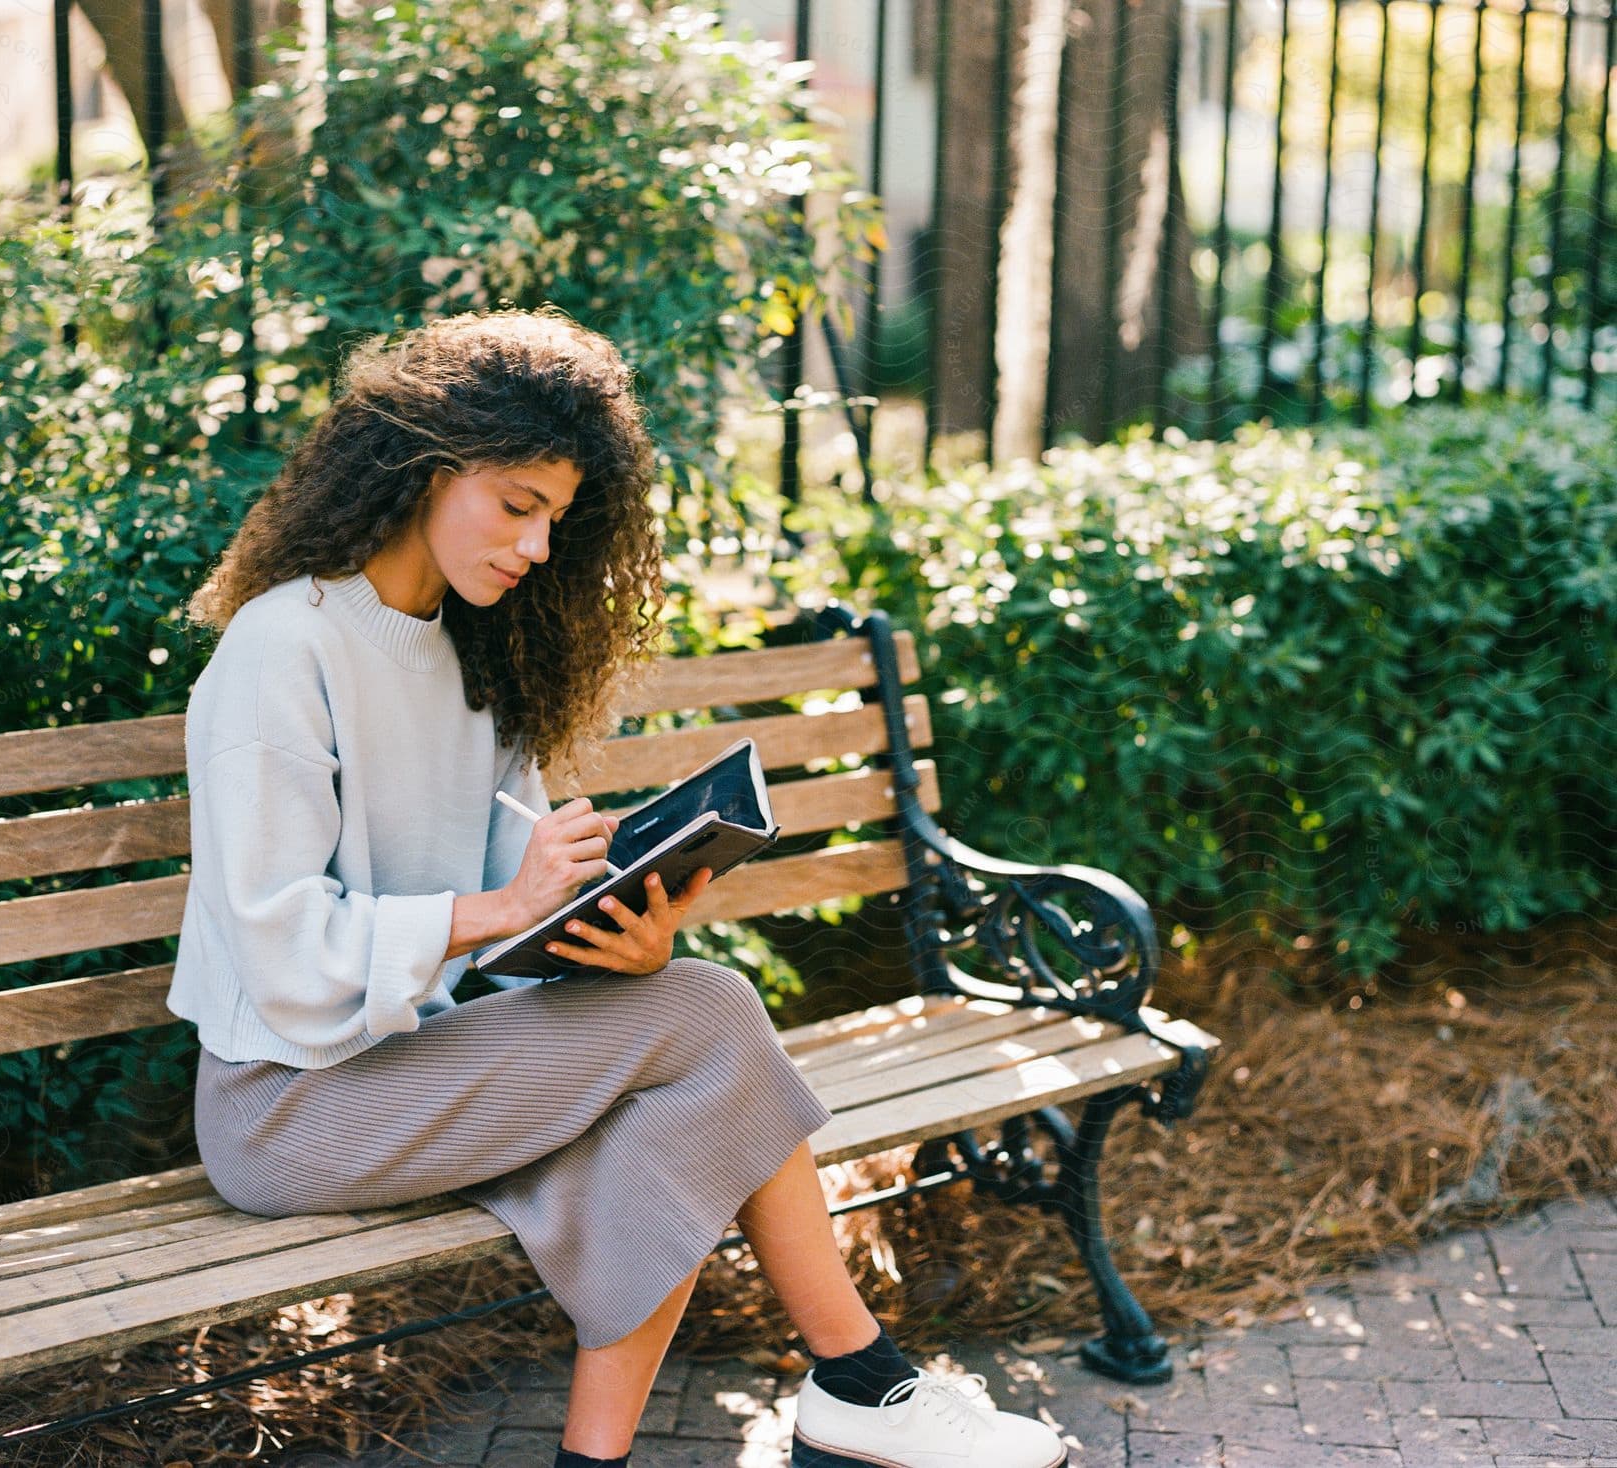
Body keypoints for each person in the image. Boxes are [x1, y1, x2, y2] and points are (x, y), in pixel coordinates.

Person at [165, 306, 1069, 1468]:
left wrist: (605, 937)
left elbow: (508, 929)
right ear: (428, 467)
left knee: (681, 1089)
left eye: (556, 521)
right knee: (711, 1016)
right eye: (519, 506)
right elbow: (280, 943)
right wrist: (504, 911)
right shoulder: (281, 648)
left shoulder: (474, 655)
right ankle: (860, 1380)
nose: (536, 549)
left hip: (414, 1064)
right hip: (287, 1107)